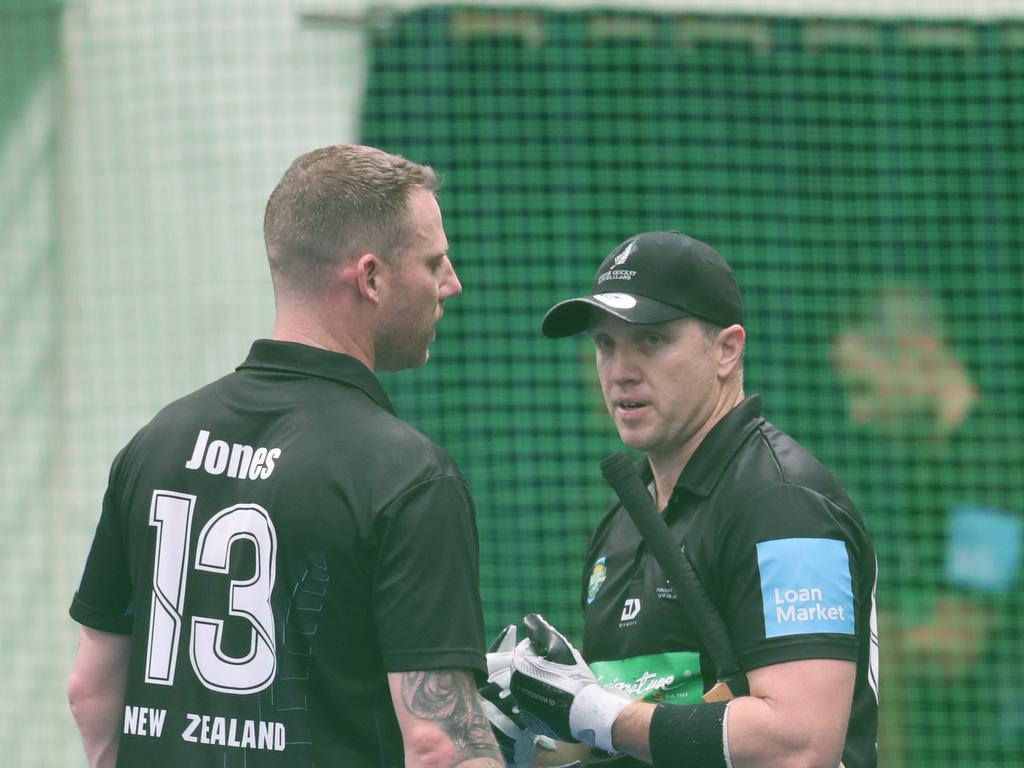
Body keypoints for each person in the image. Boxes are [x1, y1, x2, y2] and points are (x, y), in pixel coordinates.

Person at [66, 144, 503, 768]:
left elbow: (90, 692)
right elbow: (439, 746)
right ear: (371, 277)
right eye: (434, 262)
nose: (451, 284)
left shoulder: (155, 443)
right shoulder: (407, 476)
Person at [496, 231, 879, 767]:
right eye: (605, 343)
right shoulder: (625, 518)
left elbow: (800, 743)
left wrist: (592, 711)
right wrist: (524, 728)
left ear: (727, 349)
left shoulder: (783, 504)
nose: (621, 369)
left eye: (651, 340)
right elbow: (638, 731)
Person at [831, 284, 1023, 767]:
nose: (857, 415)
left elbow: (953, 643)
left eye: (864, 389)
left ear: (917, 353)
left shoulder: (992, 461)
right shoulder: (928, 466)